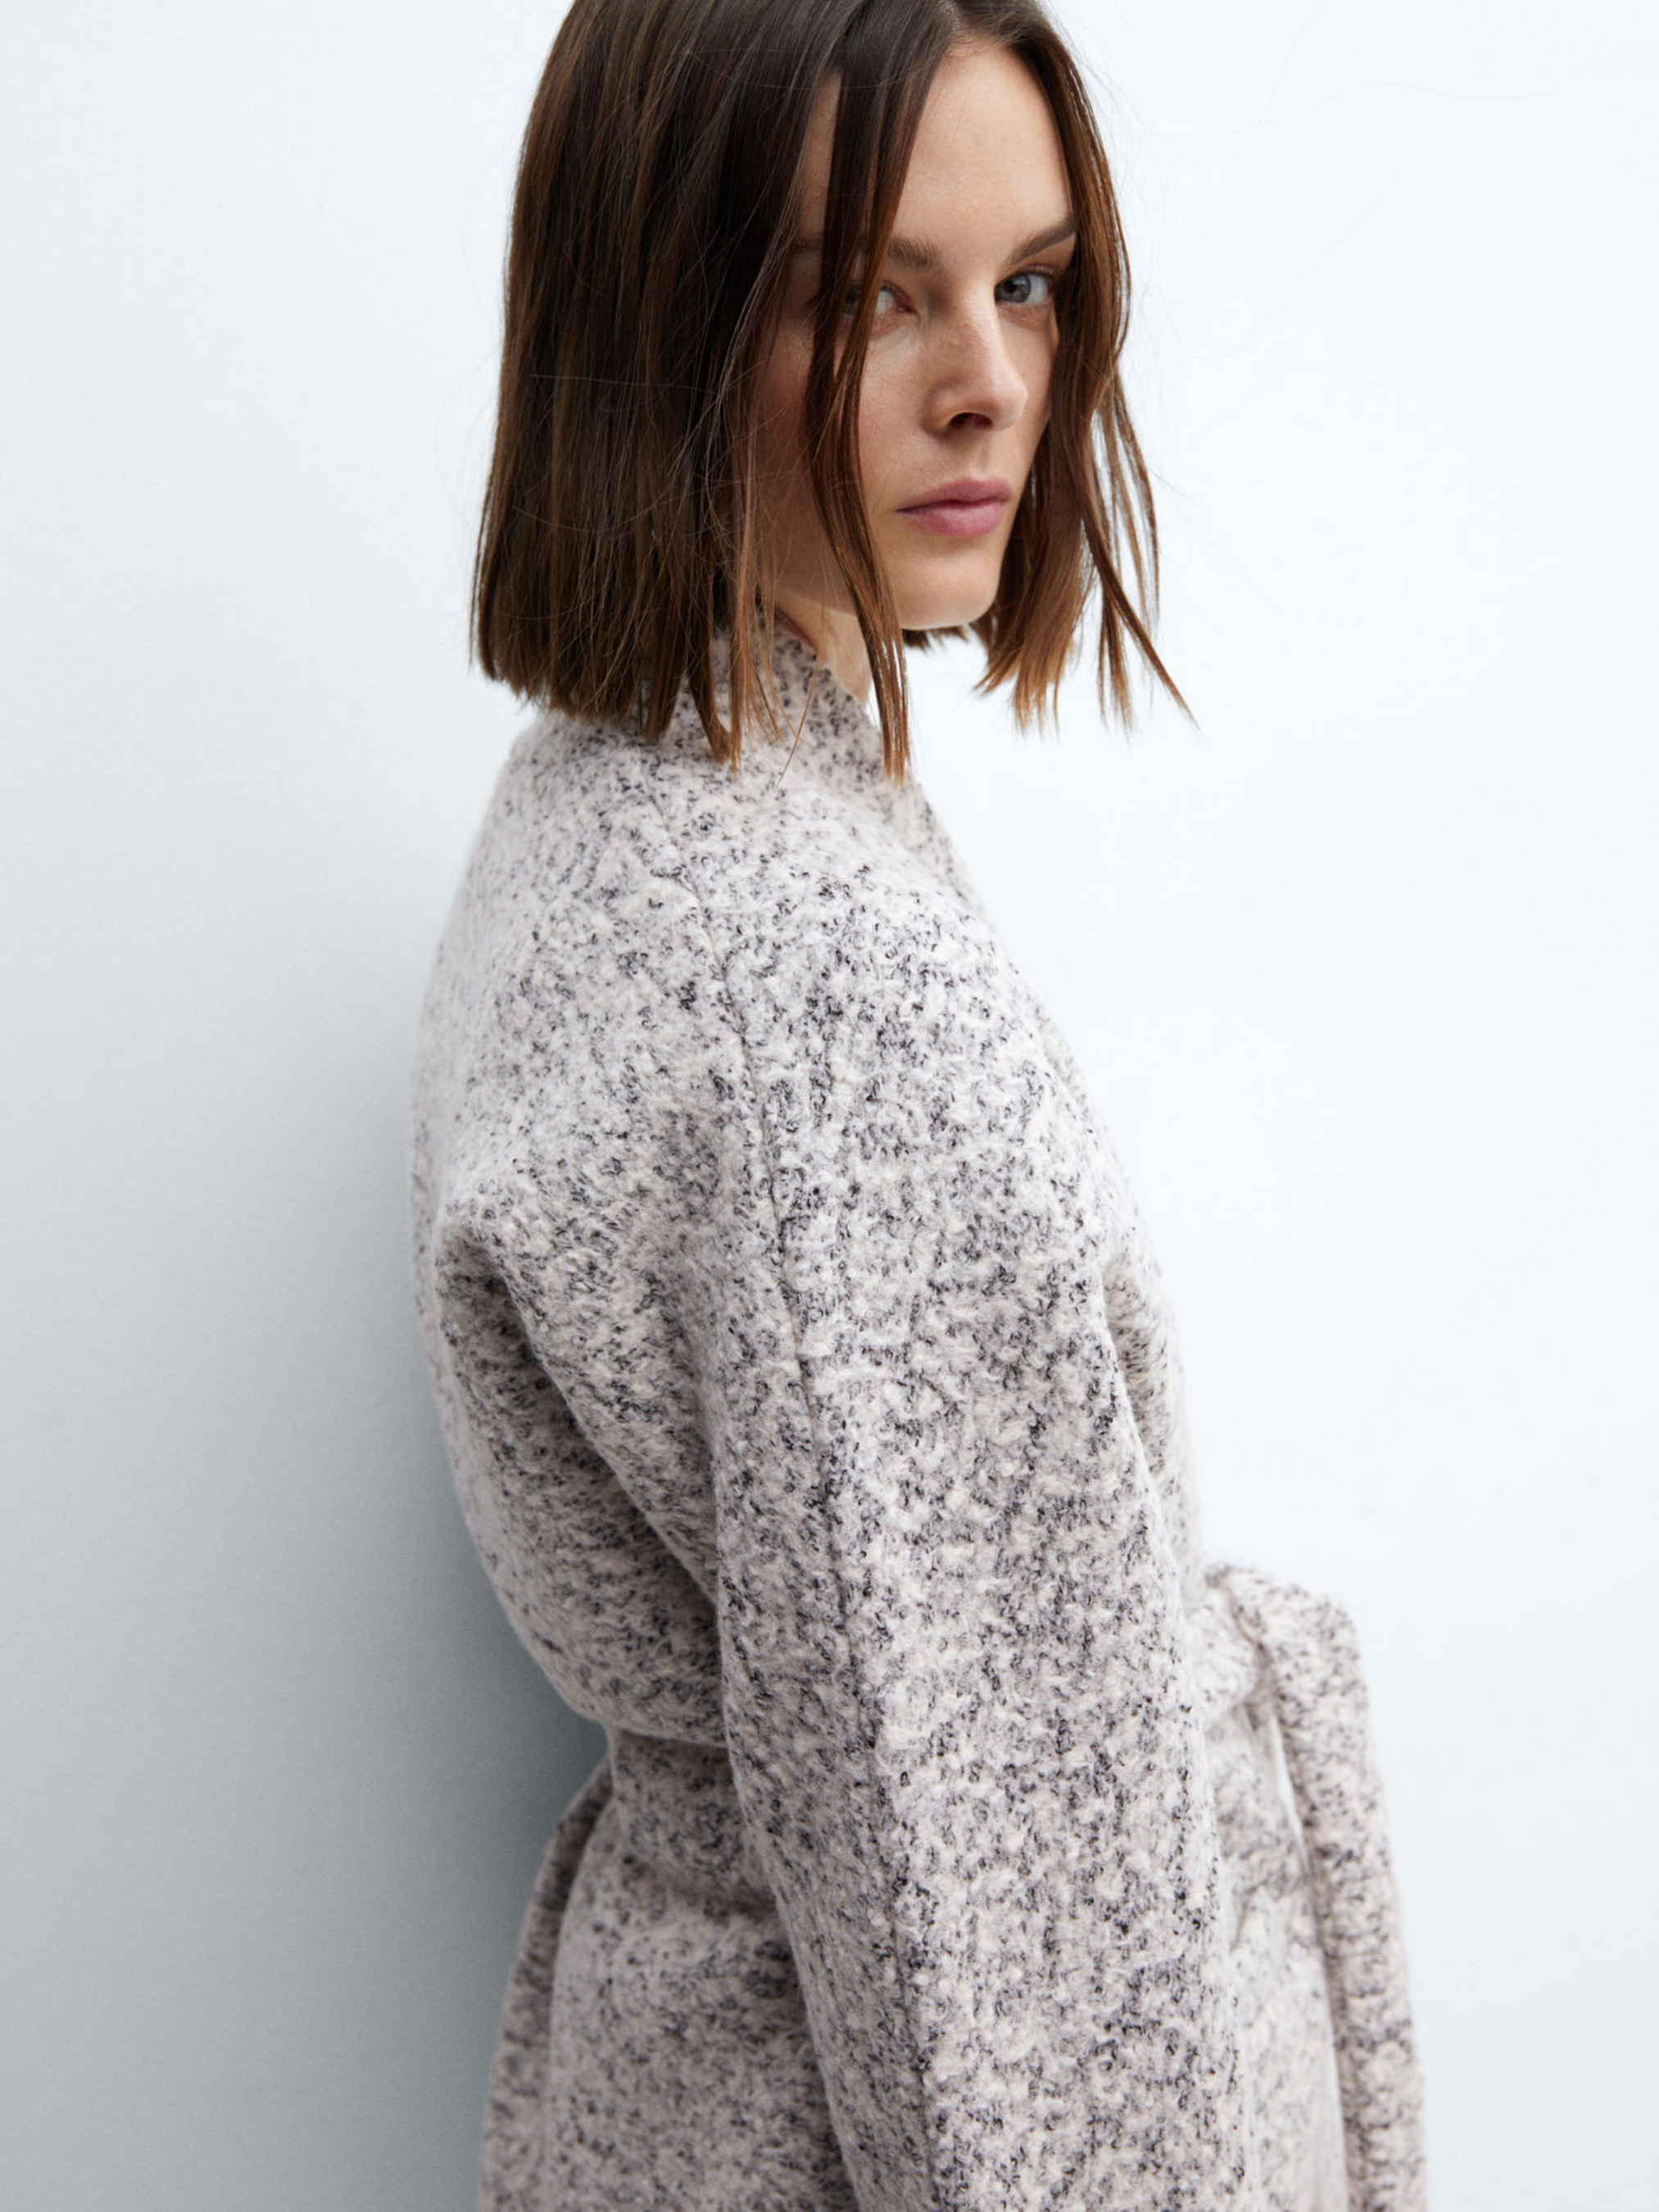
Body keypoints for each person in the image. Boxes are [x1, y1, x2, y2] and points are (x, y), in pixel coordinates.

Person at [410, 2, 1426, 2206]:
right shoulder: (825, 1009)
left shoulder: (604, 812)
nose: (988, 382)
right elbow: (1021, 2018)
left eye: (1028, 282)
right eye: (868, 295)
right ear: (657, 314)